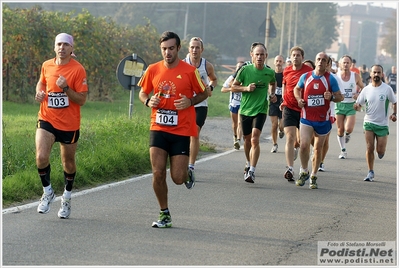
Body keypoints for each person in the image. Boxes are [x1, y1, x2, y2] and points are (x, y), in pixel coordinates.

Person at [138, 31, 208, 228]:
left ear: (178, 48)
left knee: (177, 178)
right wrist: (147, 101)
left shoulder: (189, 71)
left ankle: (187, 172)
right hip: (158, 127)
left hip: (181, 131)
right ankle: (164, 213)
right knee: (158, 173)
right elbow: (142, 92)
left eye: (170, 48)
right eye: (163, 49)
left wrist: (190, 101)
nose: (167, 53)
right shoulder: (152, 69)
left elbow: (204, 92)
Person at [35, 33, 88, 219]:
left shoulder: (78, 70)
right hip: (47, 118)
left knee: (68, 163)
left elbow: (81, 99)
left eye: (66, 45)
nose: (62, 48)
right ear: (54, 47)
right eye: (59, 44)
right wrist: (40, 93)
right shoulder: (46, 65)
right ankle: (48, 191)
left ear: (72, 48)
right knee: (41, 156)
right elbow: (41, 83)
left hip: (69, 124)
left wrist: (66, 88)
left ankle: (66, 196)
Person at [294, 51, 343, 189]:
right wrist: (299, 99)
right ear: (315, 61)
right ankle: (304, 171)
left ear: (327, 64)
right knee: (303, 145)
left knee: (317, 149)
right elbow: (297, 89)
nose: (320, 61)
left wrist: (331, 97)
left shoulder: (330, 79)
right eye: (318, 59)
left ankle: (314, 175)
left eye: (324, 60)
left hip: (323, 120)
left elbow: (340, 97)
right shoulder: (306, 77)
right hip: (307, 118)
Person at [231, 42, 277, 183]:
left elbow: (273, 83)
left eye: (262, 54)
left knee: (255, 138)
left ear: (266, 56)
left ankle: (252, 170)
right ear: (252, 55)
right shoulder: (245, 70)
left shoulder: (269, 72)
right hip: (245, 110)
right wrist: (245, 89)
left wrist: (272, 94)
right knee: (247, 140)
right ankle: (248, 161)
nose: (259, 57)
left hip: (261, 109)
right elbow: (233, 87)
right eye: (257, 54)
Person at [354, 64, 397, 182]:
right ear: (371, 74)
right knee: (369, 147)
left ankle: (380, 152)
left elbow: (394, 102)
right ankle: (370, 172)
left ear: (382, 74)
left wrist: (394, 114)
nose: (376, 75)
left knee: (380, 151)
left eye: (379, 73)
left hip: (382, 124)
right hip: (369, 122)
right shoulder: (366, 89)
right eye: (374, 72)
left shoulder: (387, 89)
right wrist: (356, 106)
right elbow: (358, 104)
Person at [183, 36, 217, 178]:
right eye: (192, 47)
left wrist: (210, 87)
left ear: (202, 50)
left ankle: (191, 166)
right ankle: (181, 160)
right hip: (185, 102)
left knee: (194, 132)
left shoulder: (206, 65)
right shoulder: (182, 64)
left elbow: (214, 79)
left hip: (201, 103)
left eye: (197, 47)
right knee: (184, 134)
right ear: (188, 49)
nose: (194, 50)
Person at [280, 46, 314, 182]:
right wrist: (283, 100)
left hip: (304, 110)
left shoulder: (309, 71)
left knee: (302, 142)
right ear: (291, 57)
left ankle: (304, 168)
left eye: (298, 55)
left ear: (302, 57)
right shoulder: (286, 71)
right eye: (293, 55)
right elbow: (285, 86)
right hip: (289, 108)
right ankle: (290, 168)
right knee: (290, 137)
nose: (295, 57)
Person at [335, 55, 364, 159]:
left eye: (348, 63)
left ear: (351, 64)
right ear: (340, 64)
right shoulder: (336, 75)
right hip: (339, 104)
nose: (346, 64)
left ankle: (348, 135)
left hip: (351, 105)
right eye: (344, 62)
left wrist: (358, 95)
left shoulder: (355, 76)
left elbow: (363, 88)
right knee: (340, 130)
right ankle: (343, 150)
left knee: (349, 129)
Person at [221, 61, 245, 150]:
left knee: (240, 122)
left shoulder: (245, 77)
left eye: (241, 67)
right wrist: (232, 88)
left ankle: (238, 140)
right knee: (235, 124)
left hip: (242, 104)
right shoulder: (231, 78)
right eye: (238, 67)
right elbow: (222, 89)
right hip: (233, 103)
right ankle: (235, 137)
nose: (239, 68)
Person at [269, 55, 285, 153]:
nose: (278, 63)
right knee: (274, 125)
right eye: (277, 61)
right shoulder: (271, 74)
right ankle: (275, 144)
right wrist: (271, 95)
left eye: (280, 61)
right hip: (273, 101)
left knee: (281, 125)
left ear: (282, 63)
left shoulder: (285, 74)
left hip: (283, 102)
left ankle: (282, 130)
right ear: (274, 62)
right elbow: (268, 86)